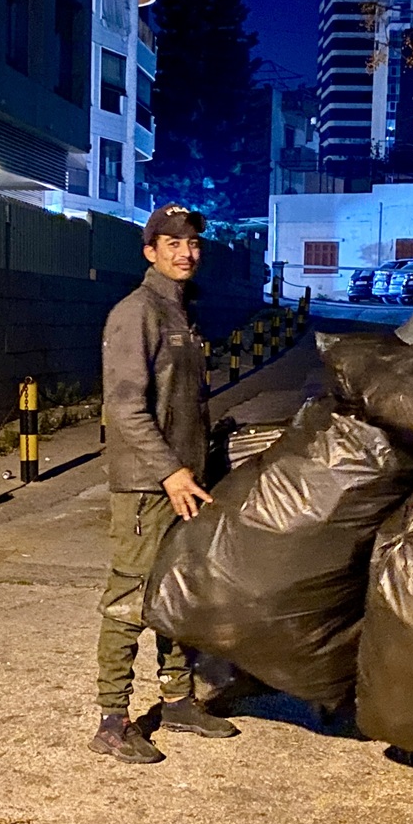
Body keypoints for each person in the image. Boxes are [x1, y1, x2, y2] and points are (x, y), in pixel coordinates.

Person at [91, 203, 240, 763]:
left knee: (177, 592)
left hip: (183, 482)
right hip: (147, 487)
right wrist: (170, 470)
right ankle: (112, 719)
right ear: (150, 251)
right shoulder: (137, 313)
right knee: (129, 599)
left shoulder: (180, 312)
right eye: (172, 243)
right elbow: (125, 410)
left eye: (193, 243)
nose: (186, 252)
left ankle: (177, 699)